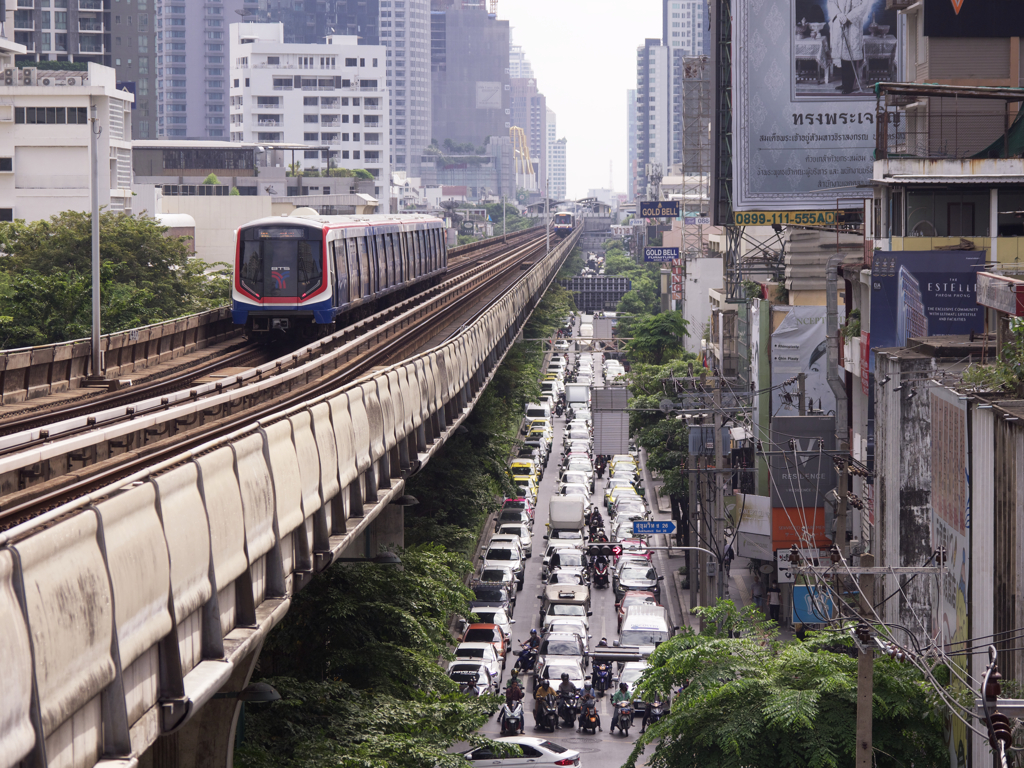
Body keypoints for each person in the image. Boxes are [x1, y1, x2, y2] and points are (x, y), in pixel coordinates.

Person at [828, 0, 871, 94]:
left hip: (853, 25)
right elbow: (832, 2)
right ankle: (845, 83)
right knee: (843, 55)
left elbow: (864, 5)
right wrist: (839, 14)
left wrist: (849, 17)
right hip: (840, 23)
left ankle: (850, 85)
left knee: (851, 55)